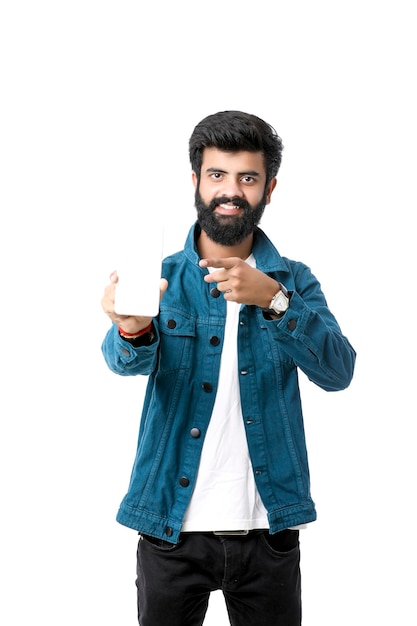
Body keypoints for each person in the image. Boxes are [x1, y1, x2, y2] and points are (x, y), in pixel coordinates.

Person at [101, 110, 356, 626]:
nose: (231, 190)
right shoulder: (161, 275)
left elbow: (338, 371)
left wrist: (277, 301)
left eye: (248, 177)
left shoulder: (292, 279)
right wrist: (131, 329)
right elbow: (123, 363)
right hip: (169, 527)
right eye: (217, 174)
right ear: (195, 180)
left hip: (269, 530)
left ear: (269, 188)